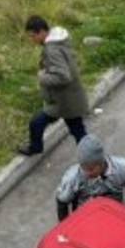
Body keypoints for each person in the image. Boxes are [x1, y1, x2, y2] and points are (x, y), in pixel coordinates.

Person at [17, 15, 90, 157]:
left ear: (41, 32)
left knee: (38, 123)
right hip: (68, 98)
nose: (32, 40)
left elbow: (63, 76)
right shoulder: (60, 41)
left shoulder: (52, 50)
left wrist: (42, 77)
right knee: (77, 131)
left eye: (33, 36)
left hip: (64, 101)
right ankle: (92, 157)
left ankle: (92, 159)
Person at [55, 135, 125, 221]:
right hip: (85, 220)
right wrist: (66, 229)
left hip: (114, 216)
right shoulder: (73, 177)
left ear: (101, 163)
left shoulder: (122, 168)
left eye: (90, 169)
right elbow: (62, 202)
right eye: (83, 167)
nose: (86, 172)